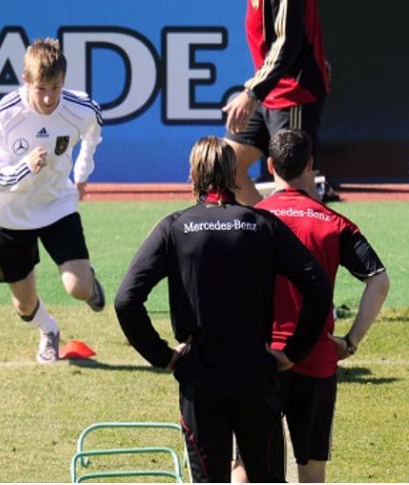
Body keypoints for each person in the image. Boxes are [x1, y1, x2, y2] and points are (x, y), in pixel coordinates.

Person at [114, 135, 332, 483]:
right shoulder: (262, 225)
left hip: (199, 375)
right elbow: (317, 287)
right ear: (234, 174)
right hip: (255, 375)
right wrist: (293, 351)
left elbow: (126, 300)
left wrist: (164, 357)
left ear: (192, 175)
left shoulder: (175, 227)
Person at [231, 129, 390, 483]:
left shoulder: (249, 219)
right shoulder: (334, 223)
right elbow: (379, 281)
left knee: (246, 464)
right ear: (310, 165)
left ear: (269, 165)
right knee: (312, 469)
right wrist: (350, 342)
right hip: (316, 359)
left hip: (260, 358)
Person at [0, 37, 106, 364]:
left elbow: (94, 132)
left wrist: (82, 172)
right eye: (41, 88)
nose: (50, 97)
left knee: (78, 289)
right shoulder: (6, 114)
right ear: (26, 80)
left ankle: (89, 282)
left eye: (56, 87)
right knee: (24, 305)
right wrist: (25, 167)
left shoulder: (79, 108)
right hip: (11, 214)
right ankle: (48, 330)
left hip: (57, 205)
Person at [222, 0, 331, 205]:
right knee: (227, 169)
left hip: (294, 94)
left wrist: (253, 93)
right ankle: (268, 231)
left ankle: (323, 237)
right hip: (267, 91)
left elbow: (287, 42)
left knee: (296, 187)